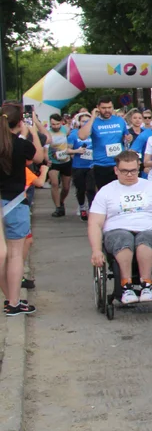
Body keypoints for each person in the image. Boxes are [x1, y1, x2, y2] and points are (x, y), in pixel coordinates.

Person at [87, 150, 152, 305]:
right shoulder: (106, 191)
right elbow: (95, 222)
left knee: (146, 240)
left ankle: (146, 284)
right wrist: (96, 250)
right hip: (117, 230)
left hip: (146, 228)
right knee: (124, 239)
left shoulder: (151, 187)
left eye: (133, 171)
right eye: (124, 171)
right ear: (116, 170)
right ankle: (126, 285)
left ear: (138, 168)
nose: (129, 175)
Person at [0, 104, 44, 315]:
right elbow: (39, 157)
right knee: (16, 255)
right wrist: (31, 130)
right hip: (15, 203)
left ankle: (9, 298)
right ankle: (15, 302)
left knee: (2, 255)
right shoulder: (20, 144)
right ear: (19, 122)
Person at [78, 96, 128, 187]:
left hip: (118, 163)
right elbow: (82, 136)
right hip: (101, 164)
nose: (107, 110)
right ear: (98, 108)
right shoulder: (93, 122)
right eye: (104, 108)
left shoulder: (120, 120)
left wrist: (129, 137)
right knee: (104, 195)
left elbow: (126, 135)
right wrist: (93, 117)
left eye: (109, 107)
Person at [41, 114, 72, 217]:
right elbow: (45, 149)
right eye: (53, 124)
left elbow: (70, 142)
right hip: (53, 162)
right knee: (54, 184)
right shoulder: (48, 133)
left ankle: (61, 201)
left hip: (66, 160)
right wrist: (47, 159)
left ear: (61, 122)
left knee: (66, 187)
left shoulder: (66, 130)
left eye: (57, 124)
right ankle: (58, 207)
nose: (55, 126)